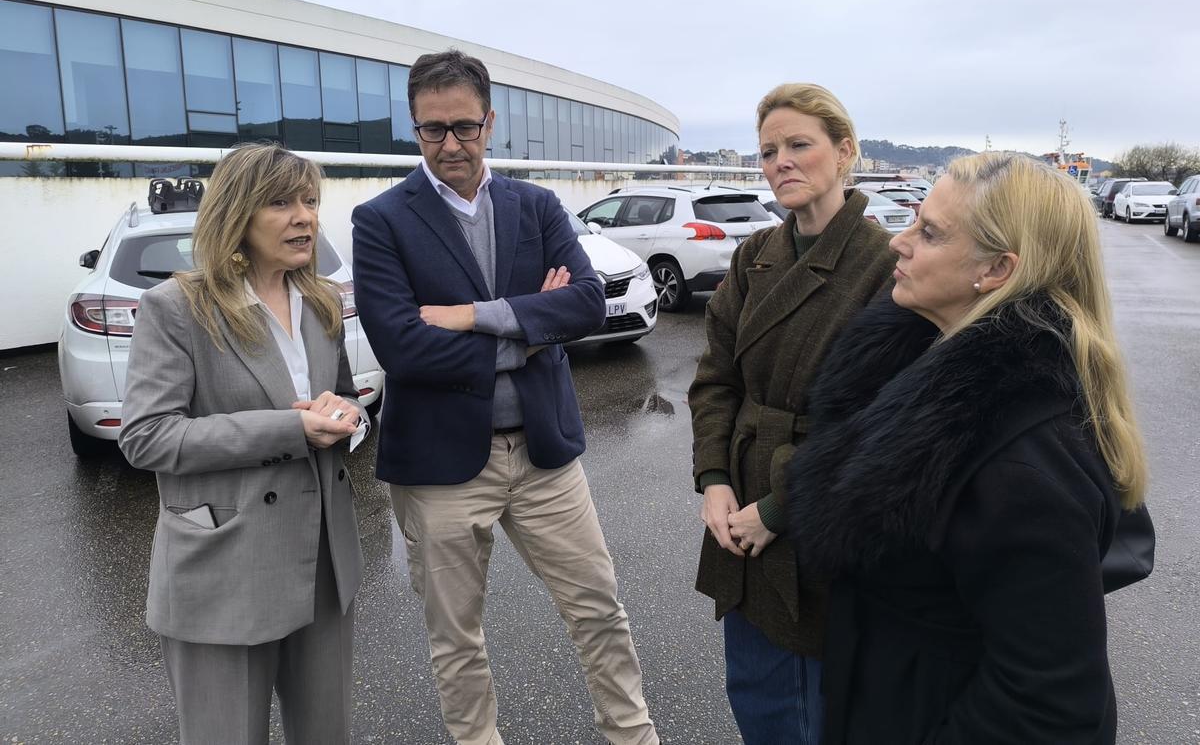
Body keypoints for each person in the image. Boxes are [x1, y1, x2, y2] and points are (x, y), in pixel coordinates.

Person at [788, 152, 1149, 743]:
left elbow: (1049, 708)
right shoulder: (921, 359)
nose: (897, 244)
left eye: (928, 233)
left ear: (998, 270)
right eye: (913, 220)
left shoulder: (1023, 464)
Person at [352, 49, 658, 745]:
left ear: (491, 121)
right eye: (434, 130)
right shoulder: (381, 221)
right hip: (440, 468)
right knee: (457, 641)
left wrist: (469, 316)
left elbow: (585, 305)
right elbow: (401, 347)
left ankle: (632, 735)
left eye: (464, 126)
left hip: (546, 456)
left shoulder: (538, 205)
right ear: (414, 128)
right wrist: (528, 326)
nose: (450, 144)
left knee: (599, 610)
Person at [119, 143, 367, 744]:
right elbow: (147, 437)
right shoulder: (177, 307)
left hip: (324, 563)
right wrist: (290, 429)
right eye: (280, 203)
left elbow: (342, 402)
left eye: (309, 201)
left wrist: (351, 417)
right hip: (225, 565)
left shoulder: (323, 300)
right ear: (236, 214)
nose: (304, 217)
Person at [689, 83, 896, 743]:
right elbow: (716, 379)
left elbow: (883, 421)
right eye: (768, 150)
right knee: (756, 692)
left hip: (822, 512)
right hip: (742, 505)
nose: (780, 161)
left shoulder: (885, 266)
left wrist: (780, 509)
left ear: (844, 152)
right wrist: (715, 479)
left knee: (811, 707)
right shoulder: (756, 256)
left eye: (798, 145)